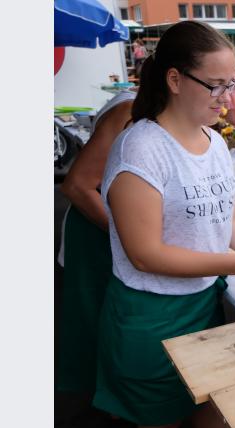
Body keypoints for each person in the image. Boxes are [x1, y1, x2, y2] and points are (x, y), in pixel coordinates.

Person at [94, 21, 235, 428]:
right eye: (215, 85)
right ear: (175, 80)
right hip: (152, 315)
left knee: (210, 401)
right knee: (159, 427)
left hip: (201, 303)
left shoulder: (214, 143)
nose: (227, 97)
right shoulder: (141, 149)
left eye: (231, 83)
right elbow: (145, 254)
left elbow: (231, 224)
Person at [57, 89, 136, 394]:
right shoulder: (129, 110)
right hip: (95, 227)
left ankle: (109, 397)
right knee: (94, 318)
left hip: (114, 225)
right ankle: (102, 400)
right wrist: (129, 234)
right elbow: (76, 186)